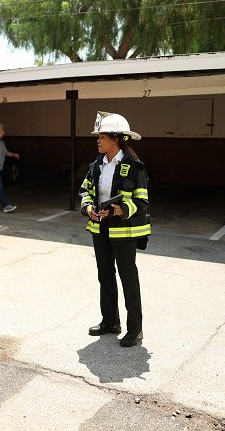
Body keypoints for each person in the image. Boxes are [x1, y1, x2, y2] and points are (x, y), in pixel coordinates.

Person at [79, 111, 150, 347]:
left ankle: (135, 329)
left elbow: (141, 202)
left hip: (124, 232)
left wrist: (119, 210)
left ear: (115, 139)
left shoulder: (134, 167)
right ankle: (110, 322)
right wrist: (88, 207)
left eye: (101, 137)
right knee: (105, 276)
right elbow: (86, 191)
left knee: (128, 279)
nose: (97, 141)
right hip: (100, 230)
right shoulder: (96, 165)